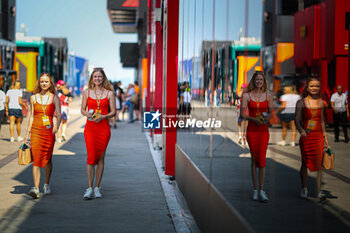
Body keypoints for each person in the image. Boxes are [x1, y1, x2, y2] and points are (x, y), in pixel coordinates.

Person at [81, 67, 116, 200]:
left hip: (103, 128)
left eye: (99, 77)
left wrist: (103, 116)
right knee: (90, 157)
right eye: (95, 76)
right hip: (90, 128)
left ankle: (97, 188)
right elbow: (82, 110)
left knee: (101, 157)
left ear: (103, 78)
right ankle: (89, 188)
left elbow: (113, 112)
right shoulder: (86, 92)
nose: (97, 79)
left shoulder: (109, 94)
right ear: (92, 78)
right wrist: (89, 114)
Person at [24, 73, 61, 199]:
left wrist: (56, 127)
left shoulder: (54, 98)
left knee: (48, 158)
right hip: (36, 131)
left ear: (50, 83)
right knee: (36, 158)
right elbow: (31, 116)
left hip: (49, 132)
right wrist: (27, 133)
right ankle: (35, 187)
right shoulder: (33, 98)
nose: (44, 84)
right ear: (39, 83)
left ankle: (46, 184)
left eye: (46, 81)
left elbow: (59, 115)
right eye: (42, 82)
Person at [295, 76, 330, 201]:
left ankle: (319, 191)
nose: (315, 88)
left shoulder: (321, 102)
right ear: (307, 88)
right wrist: (301, 131)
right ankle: (304, 188)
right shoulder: (301, 102)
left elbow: (321, 121)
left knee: (319, 164)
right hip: (306, 136)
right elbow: (297, 120)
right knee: (304, 163)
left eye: (317, 86)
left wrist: (325, 137)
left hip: (318, 136)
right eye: (312, 86)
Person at [240, 71, 274, 202]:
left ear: (264, 81)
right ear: (253, 81)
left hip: (263, 130)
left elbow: (272, 112)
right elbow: (242, 115)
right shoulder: (246, 95)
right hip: (252, 130)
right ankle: (255, 189)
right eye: (257, 79)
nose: (259, 82)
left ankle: (262, 190)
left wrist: (266, 118)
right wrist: (253, 119)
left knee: (262, 159)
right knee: (254, 159)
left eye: (261, 80)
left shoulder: (268, 95)